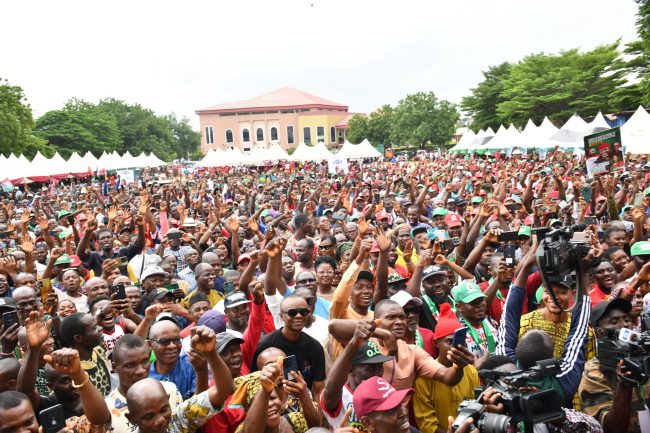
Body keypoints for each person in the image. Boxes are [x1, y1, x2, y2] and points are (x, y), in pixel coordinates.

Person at [124, 326, 235, 433]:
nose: (160, 420)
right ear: (131, 419)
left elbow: (225, 390)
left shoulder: (176, 423)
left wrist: (211, 353)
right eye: (149, 416)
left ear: (168, 401)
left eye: (164, 410)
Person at [579, 298, 650, 433]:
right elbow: (610, 429)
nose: (624, 325)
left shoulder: (643, 355)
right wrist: (625, 385)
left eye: (626, 319)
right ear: (599, 332)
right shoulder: (595, 371)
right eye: (614, 322)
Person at [413, 303, 479, 433]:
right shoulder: (425, 378)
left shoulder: (471, 371)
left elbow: (476, 406)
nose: (456, 347)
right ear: (436, 343)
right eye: (449, 341)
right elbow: (427, 424)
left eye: (460, 342)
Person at [321, 320, 394, 431]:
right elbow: (330, 390)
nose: (378, 373)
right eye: (371, 368)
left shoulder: (384, 391)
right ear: (351, 369)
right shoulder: (341, 396)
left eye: (380, 366)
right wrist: (355, 341)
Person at [251, 295, 326, 403]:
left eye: (303, 312)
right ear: (281, 316)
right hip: (273, 405)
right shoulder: (265, 346)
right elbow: (255, 384)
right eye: (292, 313)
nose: (299, 316)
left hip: (305, 403)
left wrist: (315, 413)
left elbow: (318, 391)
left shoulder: (315, 347)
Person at [107, 334, 184, 433]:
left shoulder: (170, 389)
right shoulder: (107, 410)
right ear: (114, 367)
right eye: (130, 365)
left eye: (145, 361)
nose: (140, 370)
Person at [59, 312, 112, 396]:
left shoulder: (98, 350)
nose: (101, 328)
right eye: (95, 328)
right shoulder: (73, 371)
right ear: (79, 338)